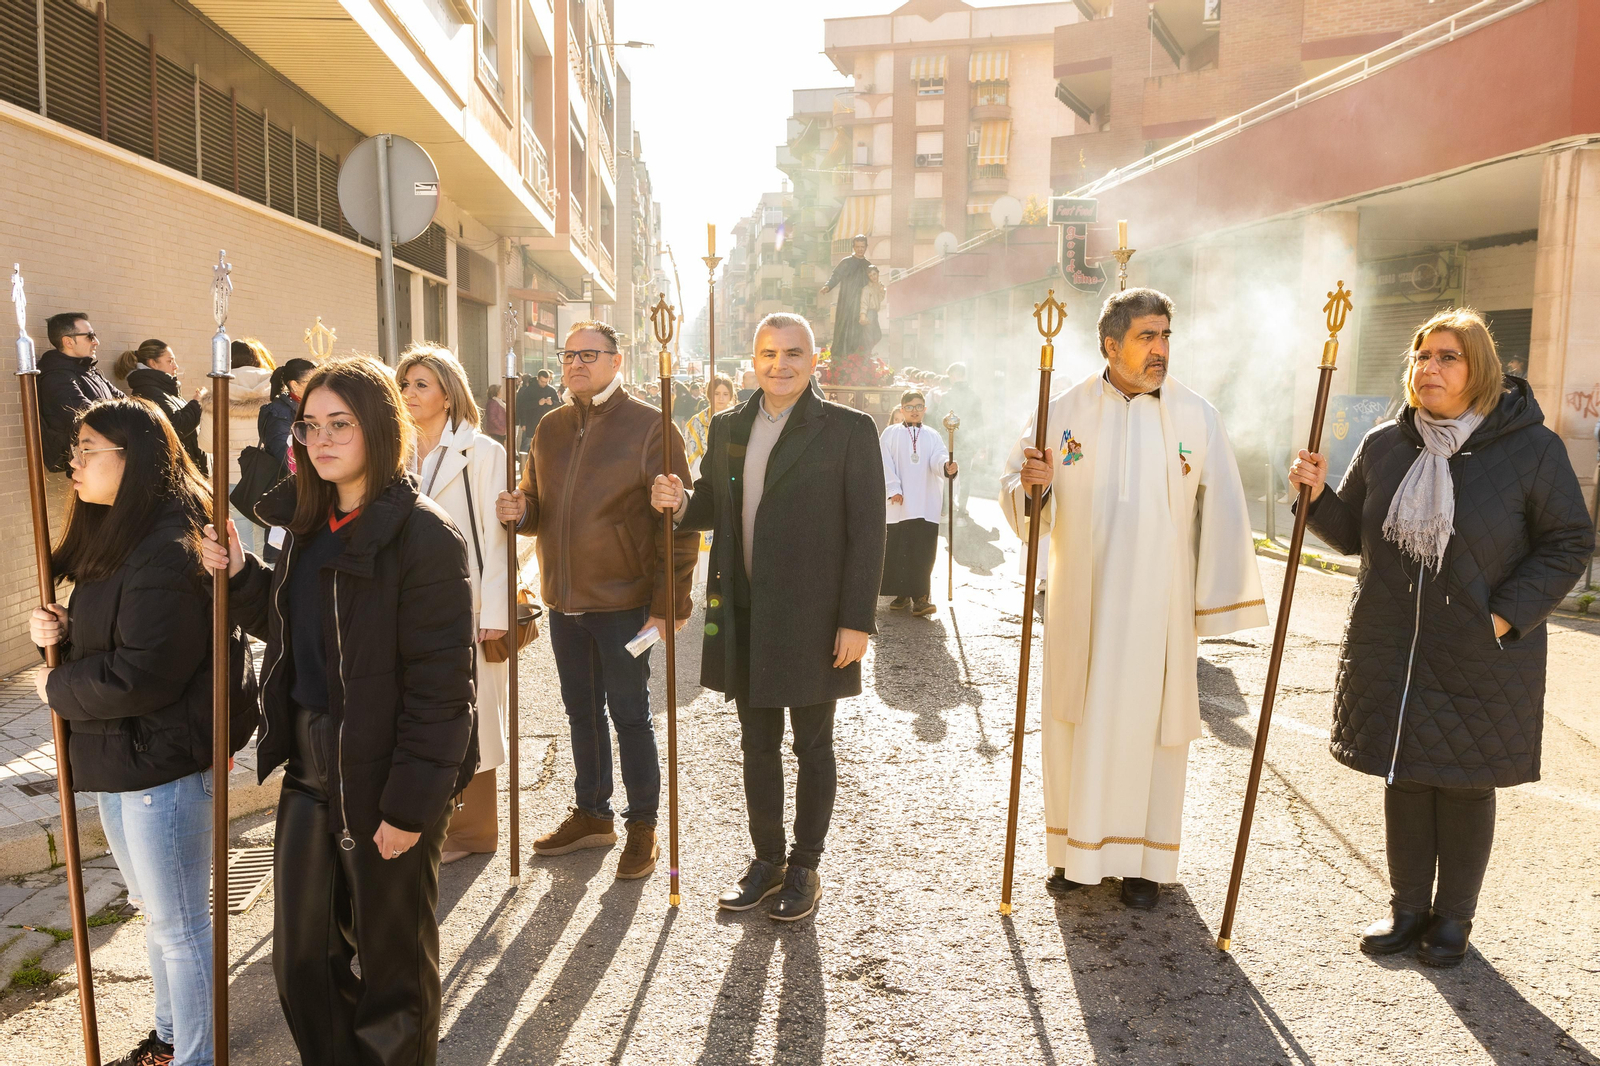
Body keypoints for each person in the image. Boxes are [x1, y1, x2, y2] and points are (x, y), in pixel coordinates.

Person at [1289, 308, 1592, 967]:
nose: (1428, 367)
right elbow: (1350, 536)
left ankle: (1453, 919)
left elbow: (1569, 543)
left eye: (1447, 357)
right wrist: (1312, 497)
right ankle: (1406, 910)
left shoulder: (1531, 450)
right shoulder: (1386, 444)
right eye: (1422, 356)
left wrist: (1503, 617)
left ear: (1478, 367)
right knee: (1404, 775)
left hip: (1481, 648)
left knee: (1461, 781)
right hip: (1392, 642)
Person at [200, 355, 474, 1066]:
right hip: (311, 771)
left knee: (393, 978)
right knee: (301, 965)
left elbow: (445, 692)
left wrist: (410, 807)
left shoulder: (424, 536)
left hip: (389, 773)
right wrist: (240, 576)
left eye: (340, 425)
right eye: (311, 425)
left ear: (380, 428)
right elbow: (296, 626)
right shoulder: (309, 520)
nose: (321, 440)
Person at [1000, 287, 1267, 909]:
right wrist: (1033, 486)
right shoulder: (1061, 408)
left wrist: (1211, 599)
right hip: (1082, 602)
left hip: (1158, 612)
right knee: (1077, 722)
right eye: (1148, 337)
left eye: (1167, 336)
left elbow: (1222, 505)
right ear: (1111, 344)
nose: (1161, 350)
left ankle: (1147, 862)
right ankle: (1073, 855)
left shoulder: (1196, 417)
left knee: (1153, 732)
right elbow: (1020, 491)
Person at [31, 398, 256, 1066]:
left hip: (162, 762)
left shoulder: (168, 544)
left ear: (134, 460)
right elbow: (119, 638)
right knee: (157, 915)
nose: (73, 462)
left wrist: (54, 686)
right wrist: (66, 636)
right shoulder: (117, 533)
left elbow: (144, 675)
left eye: (87, 450)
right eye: (75, 449)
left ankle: (196, 1054)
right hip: (120, 757)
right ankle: (169, 1036)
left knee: (181, 924)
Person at [650, 312, 886, 921]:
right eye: (768, 353)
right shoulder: (730, 426)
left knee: (812, 743)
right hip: (745, 610)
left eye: (793, 353)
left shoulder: (848, 429)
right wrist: (679, 503)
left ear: (816, 359)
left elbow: (868, 530)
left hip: (814, 615)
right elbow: (713, 504)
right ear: (752, 360)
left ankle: (805, 865)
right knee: (757, 743)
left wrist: (856, 619)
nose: (780, 364)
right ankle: (767, 859)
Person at [495, 321, 696, 882]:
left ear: (617, 360)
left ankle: (643, 826)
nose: (576, 363)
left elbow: (678, 530)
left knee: (631, 714)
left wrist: (668, 605)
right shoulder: (550, 427)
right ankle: (593, 813)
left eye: (590, 354)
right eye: (569, 355)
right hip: (565, 602)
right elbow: (538, 504)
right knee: (580, 711)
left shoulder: (652, 427)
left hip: (627, 606)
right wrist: (521, 512)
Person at [398, 345, 510, 865]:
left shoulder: (484, 452)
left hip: (466, 601)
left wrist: (494, 614)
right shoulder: (392, 451)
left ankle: (474, 831)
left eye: (422, 384)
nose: (411, 394)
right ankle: (426, 820)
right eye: (405, 384)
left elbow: (496, 538)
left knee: (476, 715)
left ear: (449, 392)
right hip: (405, 601)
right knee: (421, 711)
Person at [880, 390, 957, 616]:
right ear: (902, 409)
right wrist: (893, 488)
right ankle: (902, 593)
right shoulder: (890, 433)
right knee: (899, 549)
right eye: (910, 407)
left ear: (925, 409)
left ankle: (921, 598)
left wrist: (947, 466)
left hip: (925, 503)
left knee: (923, 550)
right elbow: (884, 462)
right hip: (899, 503)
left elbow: (938, 457)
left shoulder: (933, 435)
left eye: (919, 406)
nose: (915, 411)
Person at [199, 339, 275, 556]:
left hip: (230, 477)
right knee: (269, 538)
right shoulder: (274, 385)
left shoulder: (217, 389)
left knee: (240, 542)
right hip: (268, 475)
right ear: (256, 358)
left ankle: (247, 581)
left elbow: (206, 443)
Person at [38, 311, 123, 473]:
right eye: (90, 336)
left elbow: (128, 402)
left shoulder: (90, 371)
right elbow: (89, 417)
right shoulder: (57, 378)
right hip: (87, 466)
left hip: (107, 459)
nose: (96, 342)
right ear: (68, 342)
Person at [115, 339, 209, 474]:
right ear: (153, 363)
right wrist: (197, 402)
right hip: (174, 474)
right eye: (170, 361)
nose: (175, 366)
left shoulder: (164, 390)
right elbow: (177, 426)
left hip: (184, 471)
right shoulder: (149, 392)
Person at [937, 362, 986, 517]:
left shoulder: (947, 397)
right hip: (968, 442)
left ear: (953, 375)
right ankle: (962, 508)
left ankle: (947, 507)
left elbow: (940, 420)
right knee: (965, 476)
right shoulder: (974, 396)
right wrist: (981, 444)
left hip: (950, 440)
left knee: (948, 474)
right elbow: (979, 422)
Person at [820, 234, 872, 358]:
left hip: (861, 303)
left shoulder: (868, 265)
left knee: (859, 330)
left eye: (862, 247)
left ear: (866, 247)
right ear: (853, 247)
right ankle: (841, 355)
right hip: (846, 301)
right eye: (858, 246)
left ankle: (858, 356)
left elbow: (872, 284)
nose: (860, 249)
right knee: (844, 326)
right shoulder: (846, 262)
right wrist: (828, 286)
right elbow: (836, 276)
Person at [686, 374, 736, 481]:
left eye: (725, 394)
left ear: (731, 396)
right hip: (706, 480)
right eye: (716, 394)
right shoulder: (697, 422)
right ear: (709, 395)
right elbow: (694, 457)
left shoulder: (739, 419)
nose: (721, 398)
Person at [859, 266, 886, 354]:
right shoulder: (866, 289)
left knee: (878, 336)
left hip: (874, 314)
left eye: (874, 274)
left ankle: (866, 353)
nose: (873, 277)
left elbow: (879, 300)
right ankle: (866, 355)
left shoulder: (877, 287)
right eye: (870, 275)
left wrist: (882, 291)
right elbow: (864, 302)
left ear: (878, 274)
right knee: (869, 337)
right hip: (869, 313)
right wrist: (863, 315)